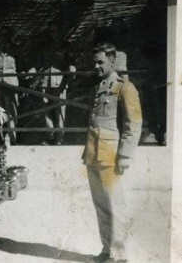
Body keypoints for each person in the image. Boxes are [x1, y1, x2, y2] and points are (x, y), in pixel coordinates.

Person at [83, 43, 142, 263]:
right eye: (94, 63)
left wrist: (125, 155)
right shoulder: (96, 87)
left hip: (111, 155)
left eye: (101, 62)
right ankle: (106, 250)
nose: (96, 66)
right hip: (93, 152)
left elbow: (133, 123)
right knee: (100, 205)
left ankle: (119, 256)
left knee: (116, 206)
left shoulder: (124, 87)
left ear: (112, 61)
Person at [0, 46, 18, 144]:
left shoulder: (15, 50)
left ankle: (13, 139)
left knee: (11, 112)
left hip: (11, 85)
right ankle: (0, 139)